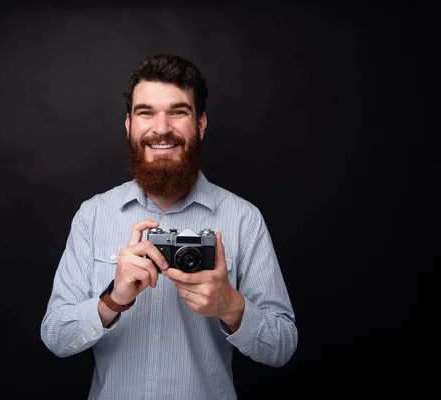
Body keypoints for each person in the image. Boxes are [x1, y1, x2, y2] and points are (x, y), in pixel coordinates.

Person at [40, 53, 298, 399]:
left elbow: (282, 347)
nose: (161, 129)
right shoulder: (94, 214)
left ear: (200, 124)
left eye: (178, 112)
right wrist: (112, 301)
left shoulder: (243, 219)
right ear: (129, 125)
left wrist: (231, 307)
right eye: (146, 112)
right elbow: (56, 337)